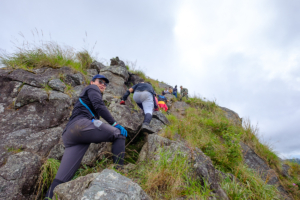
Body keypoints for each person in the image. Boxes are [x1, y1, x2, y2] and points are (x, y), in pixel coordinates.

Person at [44, 74, 127, 200]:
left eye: (105, 83)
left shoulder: (89, 93)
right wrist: (114, 123)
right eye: (100, 81)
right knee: (118, 134)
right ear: (92, 82)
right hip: (80, 126)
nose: (103, 85)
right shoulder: (92, 88)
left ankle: (48, 197)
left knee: (62, 177)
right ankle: (119, 174)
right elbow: (99, 105)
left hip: (70, 135)